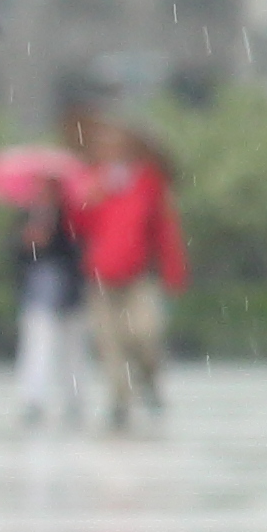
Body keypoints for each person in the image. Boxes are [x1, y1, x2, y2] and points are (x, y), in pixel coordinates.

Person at [69, 119, 182, 426]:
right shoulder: (91, 181)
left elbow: (163, 229)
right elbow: (75, 229)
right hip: (101, 276)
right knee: (110, 344)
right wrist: (84, 204)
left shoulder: (148, 181)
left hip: (138, 275)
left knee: (146, 333)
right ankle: (119, 400)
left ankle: (149, 380)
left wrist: (173, 272)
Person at [7, 179, 91, 428]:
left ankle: (74, 398)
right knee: (37, 346)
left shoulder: (72, 216)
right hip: (37, 294)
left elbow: (82, 250)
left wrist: (54, 240)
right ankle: (33, 397)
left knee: (72, 349)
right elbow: (14, 253)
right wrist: (28, 242)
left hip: (70, 292)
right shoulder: (25, 217)